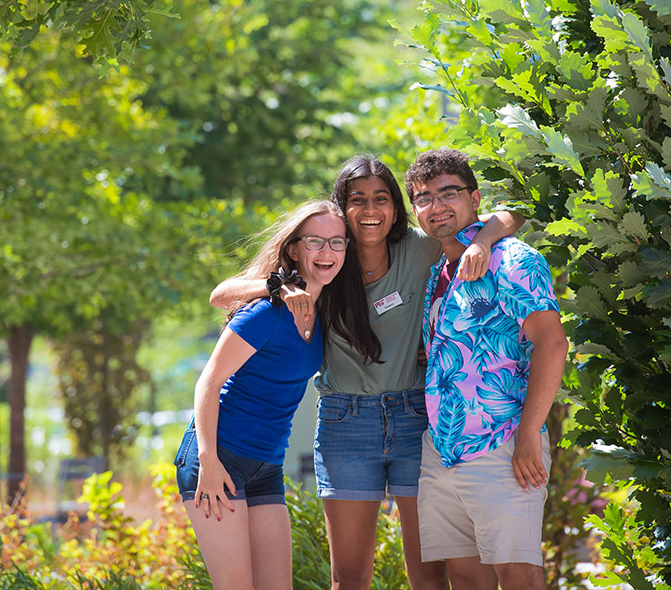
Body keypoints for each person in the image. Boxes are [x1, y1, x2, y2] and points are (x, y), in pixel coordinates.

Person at [210, 154, 524, 590]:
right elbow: (221, 294)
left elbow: (513, 213)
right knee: (351, 578)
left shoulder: (420, 248)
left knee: (429, 575)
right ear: (342, 207)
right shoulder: (327, 257)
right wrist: (279, 286)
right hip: (345, 424)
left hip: (416, 418)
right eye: (358, 200)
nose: (371, 210)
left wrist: (483, 242)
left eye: (381, 198)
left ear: (397, 207)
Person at [175, 199, 363, 590]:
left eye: (337, 242)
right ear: (294, 249)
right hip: (219, 458)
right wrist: (208, 463)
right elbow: (208, 383)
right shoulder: (267, 312)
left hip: (265, 466)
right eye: (315, 242)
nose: (327, 252)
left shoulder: (326, 311)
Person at [405, 148, 568, 590]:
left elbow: (553, 345)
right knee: (465, 578)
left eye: (448, 193)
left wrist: (529, 436)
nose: (436, 207)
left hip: (503, 442)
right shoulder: (439, 269)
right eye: (423, 198)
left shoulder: (511, 260)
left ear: (475, 199)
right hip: (443, 448)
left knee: (518, 576)